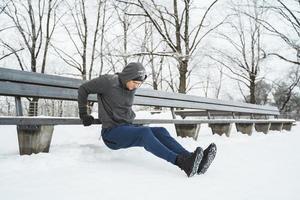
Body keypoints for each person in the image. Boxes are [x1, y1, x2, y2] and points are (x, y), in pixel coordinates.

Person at [77, 62, 216, 177]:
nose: (136, 87)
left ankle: (192, 159)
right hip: (111, 133)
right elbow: (83, 89)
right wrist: (84, 114)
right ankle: (181, 163)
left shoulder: (130, 87)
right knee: (144, 133)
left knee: (161, 131)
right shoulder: (107, 81)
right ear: (127, 77)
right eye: (135, 83)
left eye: (139, 84)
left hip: (127, 128)